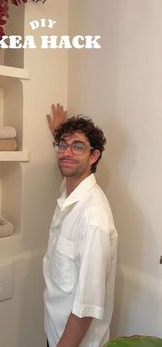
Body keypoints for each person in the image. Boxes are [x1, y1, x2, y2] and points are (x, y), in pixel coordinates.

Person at [44, 104, 118, 347]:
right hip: (55, 329)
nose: (66, 152)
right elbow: (68, 165)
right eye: (62, 145)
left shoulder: (92, 217)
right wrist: (60, 135)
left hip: (74, 342)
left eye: (78, 147)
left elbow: (87, 306)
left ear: (94, 156)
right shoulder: (70, 192)